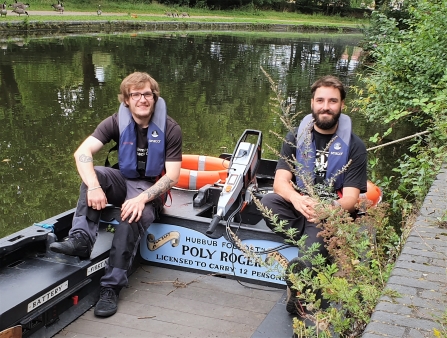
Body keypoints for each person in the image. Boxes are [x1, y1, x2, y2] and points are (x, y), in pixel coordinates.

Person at [49, 72, 182, 317]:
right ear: (126, 100)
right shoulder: (116, 121)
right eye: (135, 94)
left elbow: (172, 176)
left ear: (154, 98)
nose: (142, 99)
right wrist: (94, 186)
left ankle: (110, 287)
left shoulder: (170, 128)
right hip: (123, 180)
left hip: (150, 189)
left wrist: (142, 199)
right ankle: (81, 240)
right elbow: (83, 152)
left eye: (147, 94)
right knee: (95, 175)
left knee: (130, 216)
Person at [260, 75, 367, 315]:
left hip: (330, 214)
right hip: (301, 208)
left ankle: (301, 290)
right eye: (320, 100)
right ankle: (313, 244)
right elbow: (280, 182)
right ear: (312, 103)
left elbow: (350, 199)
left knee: (315, 244)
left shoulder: (355, 146)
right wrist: (297, 200)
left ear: (341, 106)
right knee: (267, 201)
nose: (325, 106)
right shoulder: (295, 137)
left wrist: (325, 210)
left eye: (332, 101)